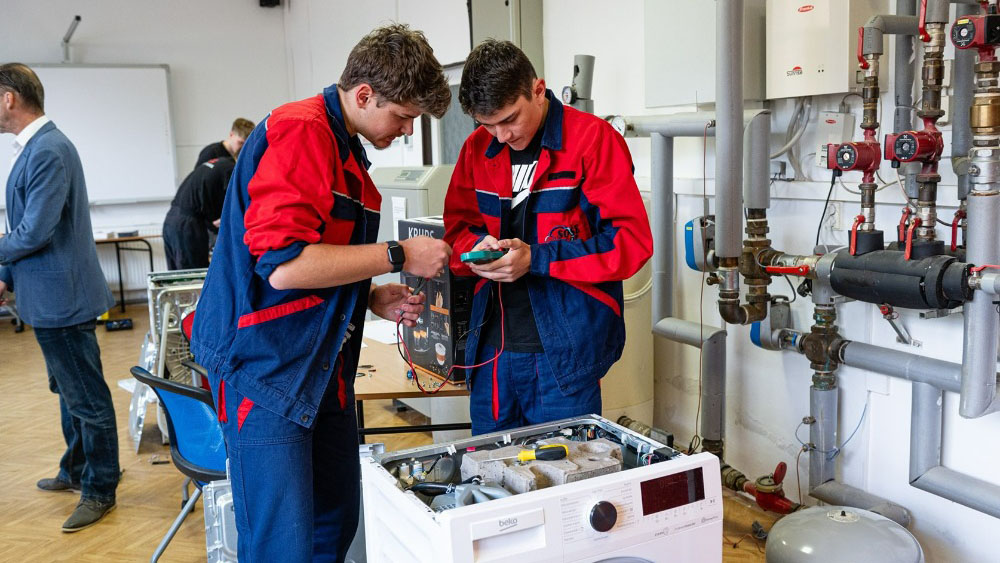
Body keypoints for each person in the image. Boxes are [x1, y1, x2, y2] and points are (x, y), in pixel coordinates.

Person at [190, 24, 452, 561]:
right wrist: (397, 255)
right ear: (363, 95)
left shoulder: (343, 147)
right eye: (401, 117)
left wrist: (366, 295)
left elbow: (318, 257)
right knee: (282, 543)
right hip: (265, 369)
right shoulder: (301, 132)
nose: (404, 131)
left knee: (334, 521)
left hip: (319, 368)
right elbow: (283, 266)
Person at [443, 40, 653, 435]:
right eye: (487, 124)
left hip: (564, 356)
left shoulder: (593, 141)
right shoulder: (476, 149)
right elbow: (456, 229)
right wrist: (476, 249)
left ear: (538, 90)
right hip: (492, 352)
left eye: (509, 119)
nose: (501, 135)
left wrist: (536, 259)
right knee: (490, 479)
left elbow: (631, 242)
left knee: (567, 479)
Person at [0, 63, 119, 531]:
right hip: (47, 296)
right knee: (67, 391)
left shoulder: (49, 149)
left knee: (87, 398)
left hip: (62, 299)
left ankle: (101, 487)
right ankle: (76, 470)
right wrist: (6, 273)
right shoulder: (35, 148)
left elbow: (34, 231)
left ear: (9, 97)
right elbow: (23, 230)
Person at [162, 155, 235, 270]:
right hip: (187, 226)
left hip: (171, 220)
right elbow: (234, 203)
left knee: (176, 276)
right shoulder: (230, 169)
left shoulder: (218, 162)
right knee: (193, 275)